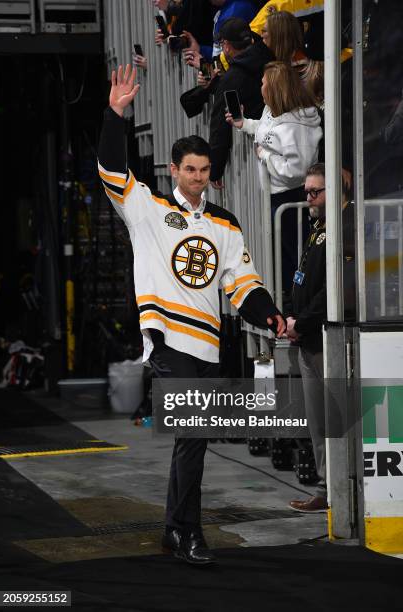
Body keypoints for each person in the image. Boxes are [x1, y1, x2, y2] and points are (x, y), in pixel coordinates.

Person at [98, 65, 285, 564]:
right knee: (194, 433)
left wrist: (268, 315)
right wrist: (115, 115)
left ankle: (173, 529)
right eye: (190, 170)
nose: (199, 177)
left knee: (194, 438)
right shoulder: (147, 209)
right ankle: (190, 532)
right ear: (175, 169)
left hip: (208, 342)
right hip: (166, 342)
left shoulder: (225, 222)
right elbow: (112, 170)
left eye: (205, 170)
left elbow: (241, 283)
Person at [285, 163, 355, 513]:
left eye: (316, 191)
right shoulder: (319, 226)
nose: (309, 198)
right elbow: (302, 279)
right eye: (307, 191)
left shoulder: (346, 228)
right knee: (319, 424)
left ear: (339, 189)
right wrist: (289, 316)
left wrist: (302, 322)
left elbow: (336, 290)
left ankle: (340, 490)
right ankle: (328, 489)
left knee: (336, 421)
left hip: (327, 337)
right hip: (308, 338)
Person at [226, 61, 322, 293]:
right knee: (279, 258)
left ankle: (295, 307)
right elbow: (266, 131)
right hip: (274, 197)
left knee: (292, 259)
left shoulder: (297, 127)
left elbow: (295, 171)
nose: (260, 87)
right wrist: (244, 124)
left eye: (263, 83)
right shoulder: (271, 111)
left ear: (275, 89)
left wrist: (266, 157)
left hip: (291, 199)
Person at [207, 17, 274, 189]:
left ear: (227, 45)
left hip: (253, 158)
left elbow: (220, 124)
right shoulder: (273, 58)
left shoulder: (233, 78)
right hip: (278, 147)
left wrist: (215, 167)